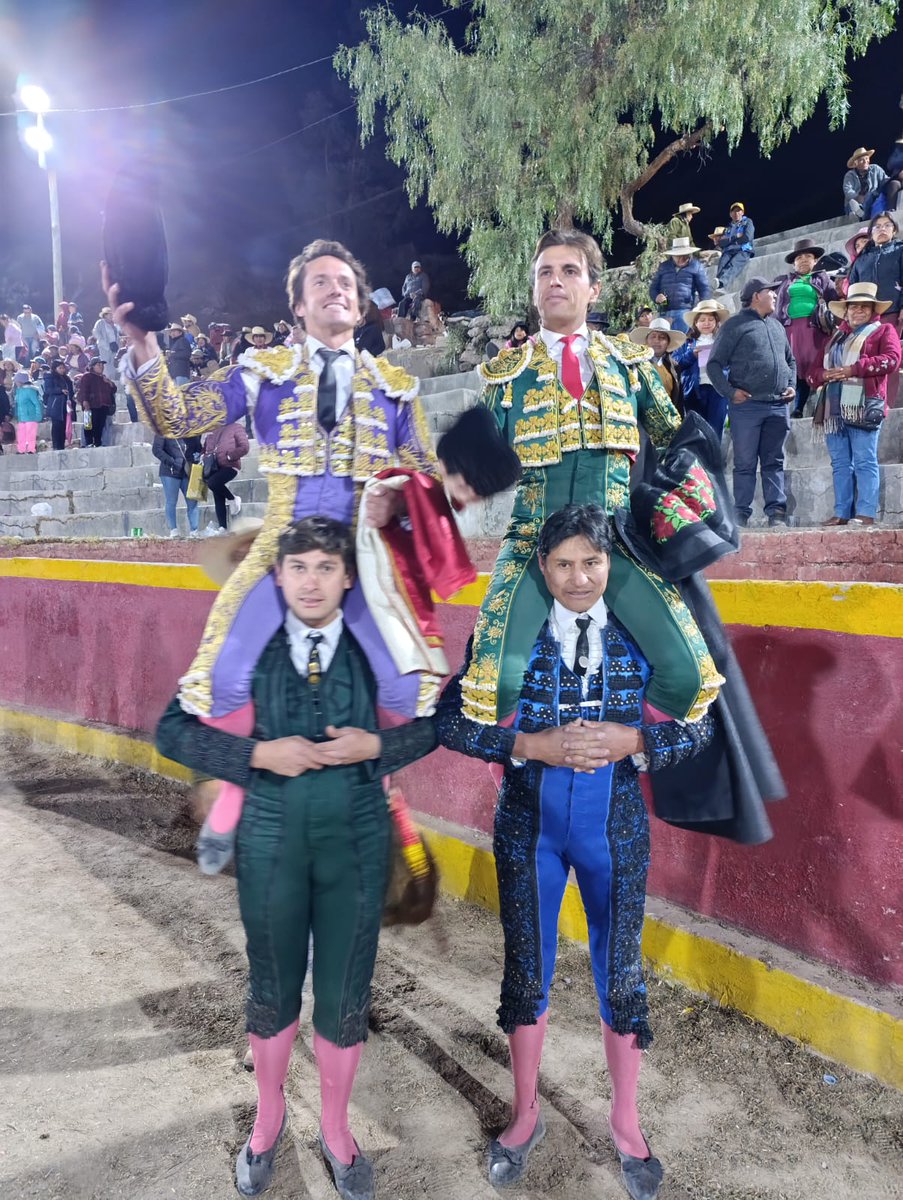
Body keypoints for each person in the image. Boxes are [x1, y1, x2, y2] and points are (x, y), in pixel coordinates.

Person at [109, 236, 512, 873]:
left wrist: (411, 493)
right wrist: (142, 342)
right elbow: (178, 414)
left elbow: (425, 483)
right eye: (321, 283)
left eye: (345, 284)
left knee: (408, 692)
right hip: (281, 551)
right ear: (298, 305)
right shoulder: (261, 371)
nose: (336, 291)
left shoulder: (395, 387)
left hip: (363, 564)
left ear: (359, 305)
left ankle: (381, 793)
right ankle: (233, 796)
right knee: (223, 676)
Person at [437, 504, 714, 1198]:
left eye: (590, 562)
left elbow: (701, 726)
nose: (577, 576)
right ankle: (524, 1115)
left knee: (618, 973)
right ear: (541, 567)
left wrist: (637, 741)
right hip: (526, 827)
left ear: (610, 564)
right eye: (562, 563)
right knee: (526, 970)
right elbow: (447, 721)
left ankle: (625, 1123)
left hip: (614, 828)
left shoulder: (640, 636)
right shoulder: (509, 633)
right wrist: (525, 744)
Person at [157, 516, 437, 1200]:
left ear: (348, 578)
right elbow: (170, 729)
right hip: (272, 842)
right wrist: (254, 755)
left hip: (357, 842)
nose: (310, 581)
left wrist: (380, 748)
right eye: (298, 568)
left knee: (344, 994)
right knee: (273, 987)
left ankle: (337, 1130)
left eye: (324, 568)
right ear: (276, 577)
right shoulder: (241, 649)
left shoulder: (380, 647)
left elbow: (442, 720)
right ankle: (268, 1117)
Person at [457, 227, 722, 730]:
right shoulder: (505, 375)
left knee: (691, 675)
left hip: (615, 539)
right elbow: (472, 469)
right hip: (534, 537)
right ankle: (532, 765)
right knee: (492, 685)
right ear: (535, 289)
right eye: (545, 273)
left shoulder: (629, 363)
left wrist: (681, 512)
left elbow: (677, 443)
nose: (556, 281)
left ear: (593, 288)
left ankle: (615, 754)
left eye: (570, 271)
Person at [808, 282, 901, 528]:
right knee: (839, 462)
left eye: (864, 307)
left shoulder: (883, 331)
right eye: (853, 307)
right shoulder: (834, 338)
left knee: (864, 459)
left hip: (863, 403)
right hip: (832, 406)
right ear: (846, 311)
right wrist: (825, 375)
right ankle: (842, 512)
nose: (858, 311)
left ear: (872, 311)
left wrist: (853, 369)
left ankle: (866, 512)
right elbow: (813, 370)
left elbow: (892, 360)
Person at [707, 277, 796, 526]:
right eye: (772, 292)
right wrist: (729, 391)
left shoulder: (777, 326)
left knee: (774, 461)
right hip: (747, 407)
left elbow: (791, 361)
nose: (776, 296)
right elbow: (714, 364)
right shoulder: (734, 325)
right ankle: (740, 514)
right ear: (757, 295)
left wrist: (792, 386)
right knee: (745, 462)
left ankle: (776, 512)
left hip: (778, 406)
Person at [774, 238, 838, 418]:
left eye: (808, 256)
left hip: (815, 329)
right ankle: (798, 407)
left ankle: (821, 405)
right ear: (794, 262)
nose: (803, 260)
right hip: (790, 330)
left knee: (815, 364)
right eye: (799, 257)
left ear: (815, 260)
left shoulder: (822, 278)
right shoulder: (785, 281)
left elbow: (834, 301)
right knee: (797, 366)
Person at [848, 211, 903, 406]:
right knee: (862, 357)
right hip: (866, 316)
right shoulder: (862, 259)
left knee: (889, 357)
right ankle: (858, 402)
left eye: (887, 225)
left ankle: (884, 403)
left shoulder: (899, 250)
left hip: (893, 313)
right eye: (877, 226)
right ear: (871, 232)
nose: (882, 229)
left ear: (894, 229)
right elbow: (852, 288)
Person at [671, 299, 732, 439]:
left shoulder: (723, 341)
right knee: (695, 432)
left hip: (718, 391)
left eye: (711, 319)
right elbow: (676, 364)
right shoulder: (686, 343)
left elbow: (733, 363)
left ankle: (712, 460)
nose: (706, 323)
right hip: (694, 391)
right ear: (695, 323)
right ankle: (697, 460)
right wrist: (691, 355)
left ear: (717, 322)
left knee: (715, 431)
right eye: (702, 320)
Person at [648, 238, 711, 333]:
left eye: (684, 255)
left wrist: (703, 308)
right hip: (664, 311)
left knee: (679, 340)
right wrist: (656, 296)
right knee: (663, 339)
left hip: (684, 310)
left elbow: (704, 288)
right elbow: (653, 288)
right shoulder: (664, 266)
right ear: (672, 255)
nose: (681, 258)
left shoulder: (696, 266)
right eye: (678, 256)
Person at [202, 421, 250, 533]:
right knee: (218, 497)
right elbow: (205, 448)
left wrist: (230, 456)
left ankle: (233, 499)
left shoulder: (236, 427)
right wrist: (204, 455)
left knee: (212, 483)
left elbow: (245, 446)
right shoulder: (211, 430)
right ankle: (222, 527)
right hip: (214, 467)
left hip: (230, 465)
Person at [628, 318, 685, 410]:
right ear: (646, 341)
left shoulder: (674, 367)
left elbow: (679, 400)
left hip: (667, 417)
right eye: (653, 336)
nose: (657, 340)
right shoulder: (636, 364)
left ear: (668, 343)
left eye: (662, 337)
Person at [152, 434, 202, 537]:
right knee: (171, 501)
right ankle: (173, 530)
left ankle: (194, 530)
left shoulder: (190, 428)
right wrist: (172, 461)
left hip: (188, 470)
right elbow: (156, 449)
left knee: (193, 501)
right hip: (170, 471)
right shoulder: (163, 429)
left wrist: (196, 457)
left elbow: (198, 447)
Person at [712, 203, 755, 289]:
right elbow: (722, 243)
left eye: (738, 211)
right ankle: (717, 285)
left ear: (742, 212)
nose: (736, 213)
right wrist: (736, 237)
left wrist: (730, 241)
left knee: (734, 263)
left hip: (744, 250)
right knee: (722, 263)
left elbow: (747, 237)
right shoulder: (728, 227)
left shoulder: (748, 222)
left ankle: (721, 284)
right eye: (734, 211)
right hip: (729, 251)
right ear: (730, 214)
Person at [77, 358, 117, 447]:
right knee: (88, 425)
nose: (101, 367)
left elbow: (114, 389)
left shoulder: (104, 378)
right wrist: (85, 401)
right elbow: (84, 390)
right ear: (92, 367)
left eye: (102, 365)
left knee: (100, 425)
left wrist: (109, 382)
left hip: (103, 405)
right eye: (98, 365)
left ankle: (98, 443)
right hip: (90, 405)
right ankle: (88, 443)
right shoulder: (87, 376)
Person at [843, 147, 888, 219]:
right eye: (861, 160)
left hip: (871, 198)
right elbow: (847, 190)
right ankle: (856, 213)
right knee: (851, 203)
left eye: (867, 158)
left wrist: (896, 178)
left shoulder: (875, 169)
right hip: (855, 201)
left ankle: (861, 214)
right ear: (855, 163)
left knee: (871, 196)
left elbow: (885, 180)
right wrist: (857, 197)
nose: (865, 161)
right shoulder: (850, 175)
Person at [43, 360, 75, 451]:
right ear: (55, 368)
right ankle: (56, 445)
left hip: (65, 405)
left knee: (64, 425)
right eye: (60, 368)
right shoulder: (50, 377)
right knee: (57, 426)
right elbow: (48, 390)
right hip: (56, 405)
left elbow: (71, 391)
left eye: (63, 368)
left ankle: (61, 445)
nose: (62, 370)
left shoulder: (66, 378)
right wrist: (60, 390)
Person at [12, 370, 42, 453]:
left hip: (31, 416)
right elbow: (18, 405)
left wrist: (38, 416)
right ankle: (21, 449)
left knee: (30, 433)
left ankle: (31, 449)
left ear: (21, 381)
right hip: (22, 417)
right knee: (21, 434)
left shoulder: (30, 390)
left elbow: (37, 403)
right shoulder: (18, 391)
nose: (15, 383)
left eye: (16, 381)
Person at [92, 307, 120, 380]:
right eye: (110, 314)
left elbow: (117, 336)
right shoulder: (100, 322)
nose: (111, 316)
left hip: (114, 346)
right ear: (105, 315)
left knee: (113, 364)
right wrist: (103, 342)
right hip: (105, 347)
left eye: (112, 314)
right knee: (106, 365)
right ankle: (106, 380)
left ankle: (112, 381)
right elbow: (96, 332)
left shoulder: (114, 324)